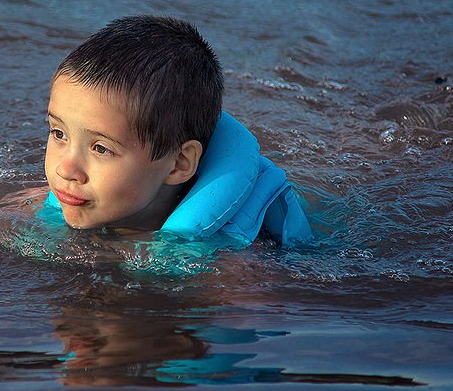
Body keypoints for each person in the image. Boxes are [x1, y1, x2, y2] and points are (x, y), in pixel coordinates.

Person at [41, 14, 312, 247]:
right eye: (59, 134)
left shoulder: (230, 271)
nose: (65, 170)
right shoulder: (41, 201)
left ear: (178, 163)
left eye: (101, 148)